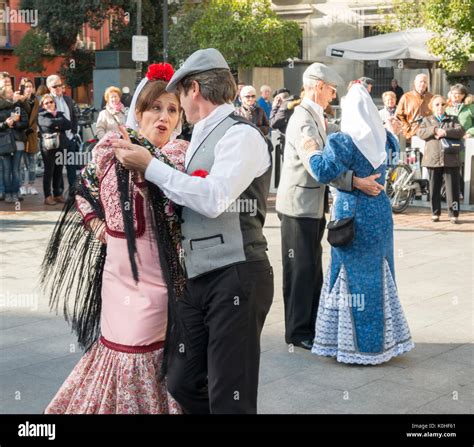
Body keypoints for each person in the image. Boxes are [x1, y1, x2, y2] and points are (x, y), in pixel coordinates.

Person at [112, 48, 274, 414]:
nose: (177, 107)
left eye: (179, 96)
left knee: (230, 393)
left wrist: (150, 167)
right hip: (197, 277)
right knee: (181, 381)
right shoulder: (199, 135)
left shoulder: (240, 134)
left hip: (237, 272)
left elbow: (214, 198)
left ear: (194, 89)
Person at [41, 63, 187, 414]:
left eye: (172, 109)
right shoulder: (110, 148)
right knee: (115, 348)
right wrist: (98, 228)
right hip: (116, 278)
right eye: (155, 108)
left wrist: (151, 167)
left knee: (141, 353)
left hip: (158, 280)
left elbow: (181, 211)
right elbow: (83, 191)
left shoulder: (179, 157)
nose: (163, 117)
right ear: (139, 111)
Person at [275, 64, 385, 351]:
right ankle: (297, 332)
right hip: (298, 205)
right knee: (300, 268)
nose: (333, 95)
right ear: (316, 86)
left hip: (311, 204)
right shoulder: (302, 119)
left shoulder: (317, 117)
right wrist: (355, 182)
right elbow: (319, 169)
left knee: (311, 267)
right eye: (331, 89)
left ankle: (310, 325)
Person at [309, 83, 414, 364]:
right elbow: (390, 159)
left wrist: (311, 150)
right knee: (379, 274)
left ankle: (352, 345)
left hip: (351, 214)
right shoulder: (384, 138)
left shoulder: (343, 141)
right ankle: (382, 342)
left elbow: (322, 171)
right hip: (379, 211)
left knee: (350, 276)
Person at [417, 95, 465, 224]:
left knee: (453, 188)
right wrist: (434, 129)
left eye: (442, 104)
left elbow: (460, 131)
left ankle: (454, 214)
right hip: (433, 158)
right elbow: (420, 133)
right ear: (432, 107)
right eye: (437, 104)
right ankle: (435, 212)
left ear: (446, 106)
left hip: (451, 159)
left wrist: (445, 132)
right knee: (434, 188)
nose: (440, 107)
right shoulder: (427, 120)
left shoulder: (453, 119)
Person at [46, 75, 78, 198]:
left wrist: (74, 131)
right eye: (55, 86)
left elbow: (74, 116)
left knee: (72, 167)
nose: (58, 88)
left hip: (70, 138)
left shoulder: (68, 99)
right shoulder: (47, 101)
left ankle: (73, 192)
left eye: (60, 85)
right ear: (49, 88)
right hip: (57, 139)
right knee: (57, 168)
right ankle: (58, 193)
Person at [37, 94, 72, 206]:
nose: (49, 104)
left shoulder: (60, 114)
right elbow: (48, 124)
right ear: (42, 105)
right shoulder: (41, 115)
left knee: (58, 171)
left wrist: (56, 125)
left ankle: (57, 194)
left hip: (61, 146)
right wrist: (58, 124)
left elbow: (69, 125)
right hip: (48, 147)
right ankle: (48, 196)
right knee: (49, 171)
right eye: (46, 103)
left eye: (51, 102)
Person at [0, 85, 28, 204]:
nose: (13, 93)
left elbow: (25, 123)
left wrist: (15, 124)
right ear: (3, 94)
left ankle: (15, 192)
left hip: (18, 141)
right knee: (6, 170)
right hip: (4, 142)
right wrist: (5, 124)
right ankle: (7, 193)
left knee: (16, 169)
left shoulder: (18, 107)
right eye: (9, 92)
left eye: (12, 91)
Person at [396, 73, 433, 142]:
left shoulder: (431, 98)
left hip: (428, 133)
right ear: (415, 83)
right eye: (420, 81)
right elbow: (399, 115)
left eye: (425, 82)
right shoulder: (406, 97)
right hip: (411, 133)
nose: (422, 84)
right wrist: (407, 127)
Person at [18, 78, 40, 196]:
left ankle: (31, 185)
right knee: (21, 164)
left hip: (32, 135)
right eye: (26, 87)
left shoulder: (36, 101)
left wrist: (35, 129)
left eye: (30, 86)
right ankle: (21, 186)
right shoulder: (18, 101)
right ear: (22, 88)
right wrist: (23, 128)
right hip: (21, 135)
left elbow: (37, 118)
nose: (28, 89)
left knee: (32, 163)